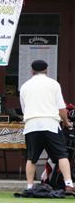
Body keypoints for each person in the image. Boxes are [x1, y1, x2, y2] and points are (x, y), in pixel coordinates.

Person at [19, 60, 74, 195]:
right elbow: (62, 109)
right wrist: (67, 123)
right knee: (62, 155)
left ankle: (30, 186)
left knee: (31, 158)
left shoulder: (25, 86)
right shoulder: (54, 84)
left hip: (32, 125)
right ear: (46, 70)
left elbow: (24, 109)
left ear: (31, 71)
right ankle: (69, 184)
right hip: (50, 123)